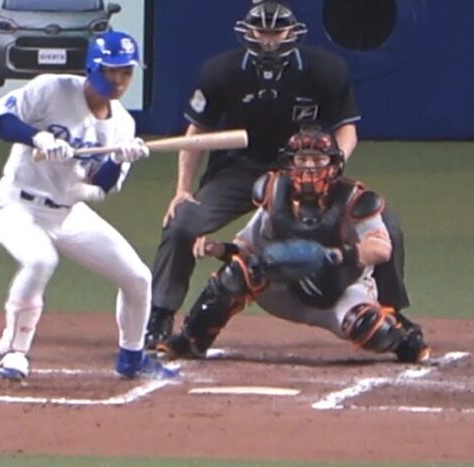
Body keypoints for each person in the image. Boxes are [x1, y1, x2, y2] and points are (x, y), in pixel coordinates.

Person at [143, 0, 424, 354]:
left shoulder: (325, 69)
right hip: (240, 169)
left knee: (385, 224)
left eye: (276, 32)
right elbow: (197, 132)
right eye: (261, 31)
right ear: (247, 32)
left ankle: (391, 310)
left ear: (293, 33)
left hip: (305, 168)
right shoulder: (222, 71)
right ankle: (161, 314)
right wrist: (183, 189)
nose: (268, 39)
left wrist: (331, 168)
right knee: (183, 222)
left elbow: (347, 129)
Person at [0, 30, 176, 381]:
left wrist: (119, 158)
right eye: (111, 71)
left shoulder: (122, 125)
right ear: (93, 68)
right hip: (17, 205)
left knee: (138, 278)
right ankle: (14, 351)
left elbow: (100, 186)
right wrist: (37, 136)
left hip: (68, 214)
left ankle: (131, 358)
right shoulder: (52, 89)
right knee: (40, 260)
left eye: (125, 72)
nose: (119, 80)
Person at [159, 126, 430, 363]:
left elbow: (381, 249)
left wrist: (336, 256)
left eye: (317, 160)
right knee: (239, 272)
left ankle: (403, 340)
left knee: (369, 327)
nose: (309, 168)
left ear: (333, 164)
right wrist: (218, 249)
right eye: (302, 159)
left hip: (341, 292)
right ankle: (192, 339)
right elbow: (248, 250)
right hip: (285, 290)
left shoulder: (354, 200)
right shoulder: (274, 193)